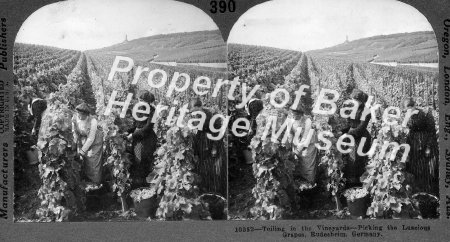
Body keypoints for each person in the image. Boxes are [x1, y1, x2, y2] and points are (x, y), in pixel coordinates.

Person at [190, 98, 226, 196]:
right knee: (203, 167)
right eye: (193, 111)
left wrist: (214, 147)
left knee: (216, 169)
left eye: (197, 110)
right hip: (202, 143)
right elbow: (194, 130)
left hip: (214, 141)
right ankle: (205, 192)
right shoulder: (193, 115)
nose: (196, 113)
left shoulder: (212, 115)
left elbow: (220, 132)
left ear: (201, 106)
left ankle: (217, 193)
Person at [403, 98, 439, 195]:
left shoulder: (426, 114)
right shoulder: (407, 115)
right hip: (414, 144)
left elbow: (432, 132)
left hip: (425, 142)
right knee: (414, 167)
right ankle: (416, 191)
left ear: (415, 105)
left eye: (411, 108)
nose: (410, 111)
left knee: (427, 168)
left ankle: (427, 191)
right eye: (408, 109)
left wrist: (428, 147)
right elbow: (406, 129)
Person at [341, 89, 372, 187]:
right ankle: (349, 181)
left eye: (355, 100)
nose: (353, 102)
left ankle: (357, 183)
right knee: (347, 158)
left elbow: (361, 128)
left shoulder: (366, 112)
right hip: (351, 134)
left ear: (361, 101)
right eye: (352, 99)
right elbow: (349, 123)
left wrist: (349, 133)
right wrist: (342, 132)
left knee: (356, 159)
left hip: (361, 136)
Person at [126, 90, 157, 187]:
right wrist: (128, 132)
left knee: (145, 161)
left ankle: (146, 187)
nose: (140, 102)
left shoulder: (153, 111)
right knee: (137, 161)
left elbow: (148, 128)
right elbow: (135, 124)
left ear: (148, 101)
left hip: (147, 139)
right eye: (139, 100)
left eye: (142, 100)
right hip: (138, 138)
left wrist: (133, 135)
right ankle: (139, 187)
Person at [72, 103, 104, 184]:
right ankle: (86, 179)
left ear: (86, 115)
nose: (79, 116)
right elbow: (75, 132)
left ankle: (95, 182)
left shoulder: (93, 121)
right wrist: (75, 145)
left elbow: (90, 139)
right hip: (83, 137)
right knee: (83, 159)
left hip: (95, 140)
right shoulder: (75, 118)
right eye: (78, 114)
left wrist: (82, 152)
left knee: (92, 160)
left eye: (82, 115)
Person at [291, 106, 318, 184]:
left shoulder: (307, 121)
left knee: (307, 164)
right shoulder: (292, 119)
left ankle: (309, 182)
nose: (293, 116)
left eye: (296, 114)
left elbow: (305, 138)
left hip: (309, 143)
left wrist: (296, 151)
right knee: (297, 163)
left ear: (301, 114)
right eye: (292, 113)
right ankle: (300, 183)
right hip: (298, 140)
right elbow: (290, 133)